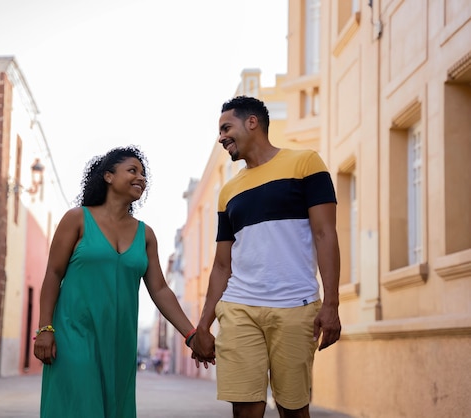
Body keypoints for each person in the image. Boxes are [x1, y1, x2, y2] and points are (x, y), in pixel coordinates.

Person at [33, 146, 209, 418]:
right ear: (108, 176)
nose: (141, 178)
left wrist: (191, 334)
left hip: (120, 340)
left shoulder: (145, 234)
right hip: (74, 333)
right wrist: (45, 328)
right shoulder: (77, 219)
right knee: (77, 407)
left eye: (143, 174)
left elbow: (160, 290)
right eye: (132, 170)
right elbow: (53, 274)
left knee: (115, 408)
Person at [193, 96, 342, 418]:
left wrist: (331, 304)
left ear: (252, 122)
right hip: (239, 307)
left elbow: (325, 234)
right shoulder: (228, 192)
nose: (221, 137)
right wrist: (204, 324)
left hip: (295, 306)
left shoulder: (306, 163)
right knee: (246, 407)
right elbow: (222, 264)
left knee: (293, 408)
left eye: (225, 128)